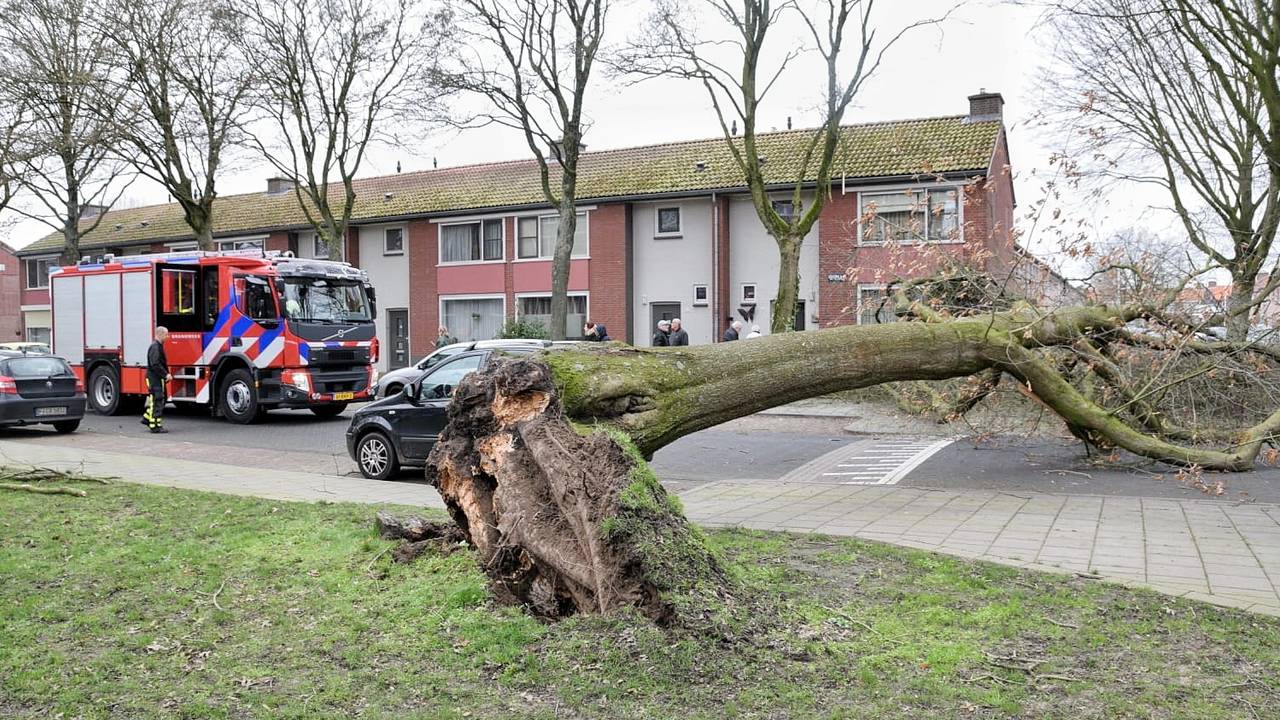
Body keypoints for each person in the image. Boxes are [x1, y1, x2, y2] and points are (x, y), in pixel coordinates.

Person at [143, 326, 171, 434]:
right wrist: (165, 375)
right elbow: (155, 364)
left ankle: (147, 418)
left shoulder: (157, 346)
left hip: (156, 378)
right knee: (157, 400)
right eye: (166, 335)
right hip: (154, 378)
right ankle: (155, 426)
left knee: (158, 399)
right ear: (161, 334)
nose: (167, 337)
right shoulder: (155, 347)